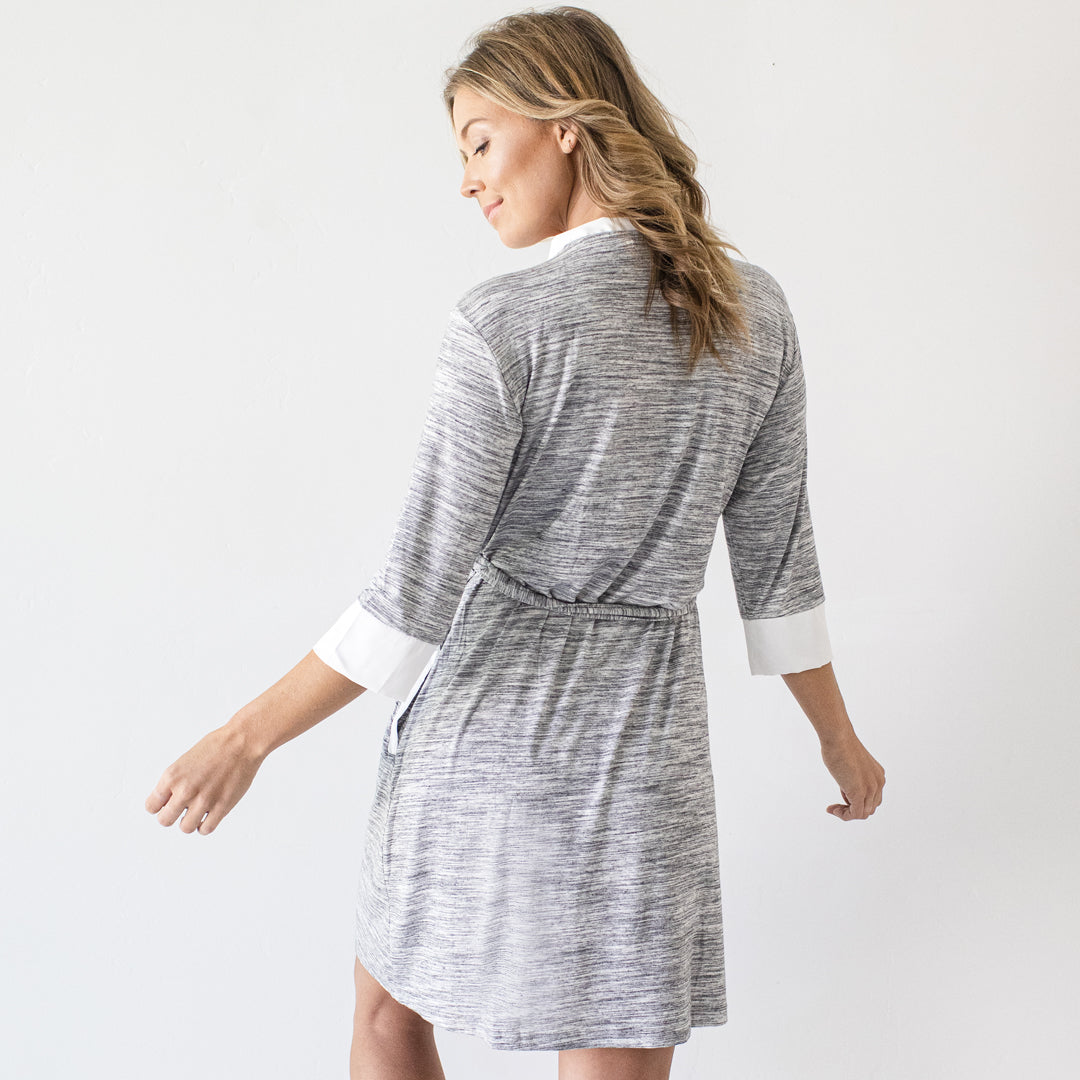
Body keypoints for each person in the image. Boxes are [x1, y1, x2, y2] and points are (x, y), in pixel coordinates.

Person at [145, 6, 885, 1079]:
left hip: (488, 727)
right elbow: (777, 567)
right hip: (647, 742)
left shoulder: (504, 322)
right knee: (615, 1040)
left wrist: (244, 737)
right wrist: (838, 737)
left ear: (567, 125)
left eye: (480, 143)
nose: (468, 182)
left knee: (393, 1020)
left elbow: (414, 592)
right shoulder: (753, 313)